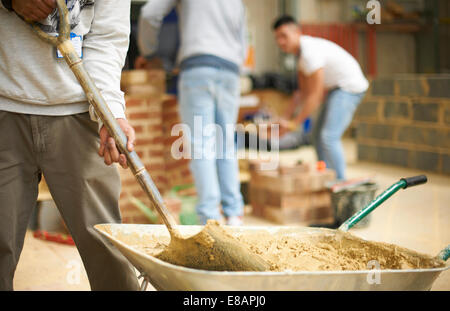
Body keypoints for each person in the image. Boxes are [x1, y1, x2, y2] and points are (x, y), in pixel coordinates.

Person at [0, 0, 140, 290]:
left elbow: (106, 37)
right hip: (4, 105)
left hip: (77, 114)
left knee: (109, 251)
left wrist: (109, 112)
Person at [138, 0, 247, 226]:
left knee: (202, 145)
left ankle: (210, 218)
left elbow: (149, 13)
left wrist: (148, 52)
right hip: (231, 70)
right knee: (225, 143)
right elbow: (242, 38)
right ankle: (234, 215)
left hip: (198, 67)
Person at [273, 15, 369, 180]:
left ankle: (339, 184)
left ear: (296, 32)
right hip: (336, 89)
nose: (281, 42)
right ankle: (325, 177)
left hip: (349, 88)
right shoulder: (301, 57)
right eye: (277, 38)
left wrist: (293, 124)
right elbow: (301, 93)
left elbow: (315, 96)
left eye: (284, 36)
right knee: (316, 135)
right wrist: (284, 118)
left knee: (329, 136)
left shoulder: (310, 52)